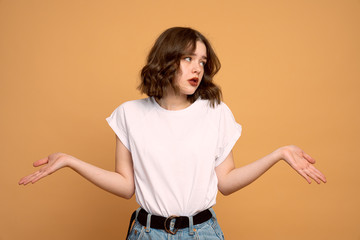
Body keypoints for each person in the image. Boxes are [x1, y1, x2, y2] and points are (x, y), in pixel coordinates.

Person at [18, 27, 327, 240]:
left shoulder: (215, 112)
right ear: (166, 60)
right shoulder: (129, 114)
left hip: (202, 233)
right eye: (188, 58)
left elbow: (227, 182)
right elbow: (126, 186)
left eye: (203, 61)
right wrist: (71, 161)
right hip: (146, 233)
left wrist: (278, 154)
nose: (197, 68)